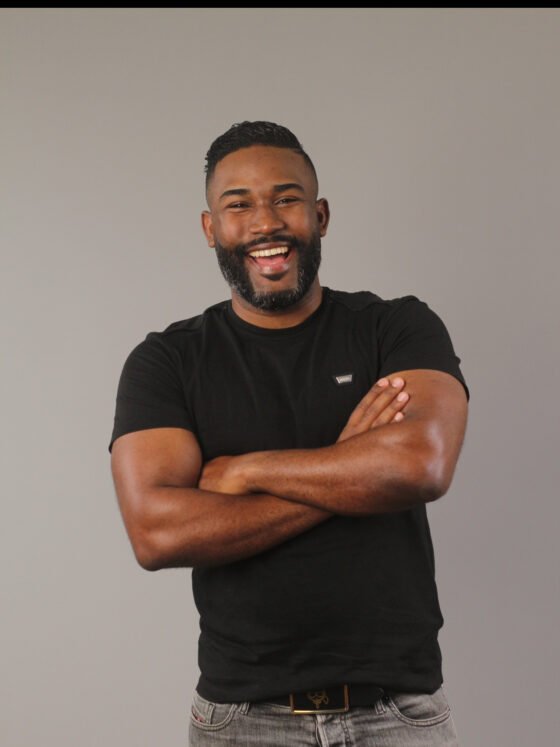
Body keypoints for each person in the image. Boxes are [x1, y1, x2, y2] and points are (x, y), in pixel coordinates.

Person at [109, 120, 469, 746]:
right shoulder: (167, 361)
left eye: (286, 198)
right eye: (239, 205)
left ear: (320, 215)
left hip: (398, 712)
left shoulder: (396, 328)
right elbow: (157, 532)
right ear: (210, 228)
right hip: (242, 718)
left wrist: (244, 472)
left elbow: (421, 466)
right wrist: (352, 466)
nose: (265, 223)